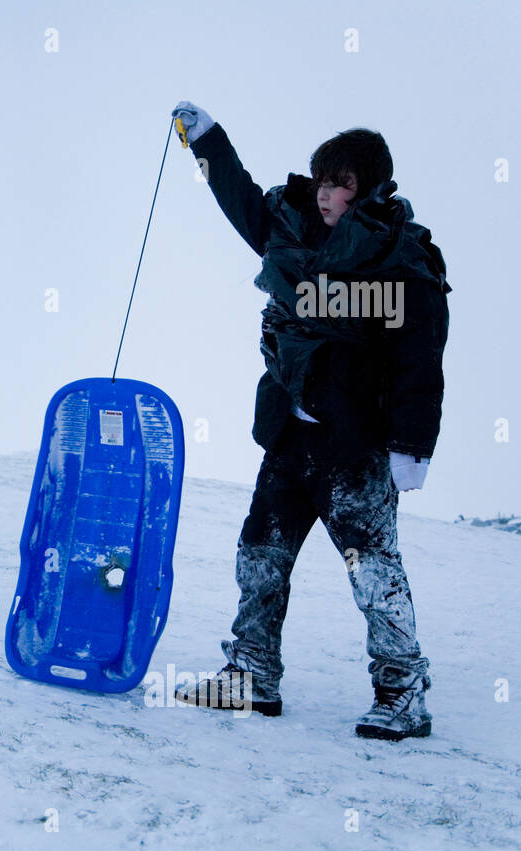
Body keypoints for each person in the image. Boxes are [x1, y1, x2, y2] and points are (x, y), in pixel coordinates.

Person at [169, 102, 450, 741]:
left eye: (341, 183)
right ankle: (251, 673)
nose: (325, 193)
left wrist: (412, 447)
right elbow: (238, 196)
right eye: (322, 179)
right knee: (260, 555)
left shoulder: (403, 259)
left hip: (354, 442)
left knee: (371, 567)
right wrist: (206, 140)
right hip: (291, 433)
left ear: (371, 188)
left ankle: (403, 693)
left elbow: (419, 359)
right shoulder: (289, 229)